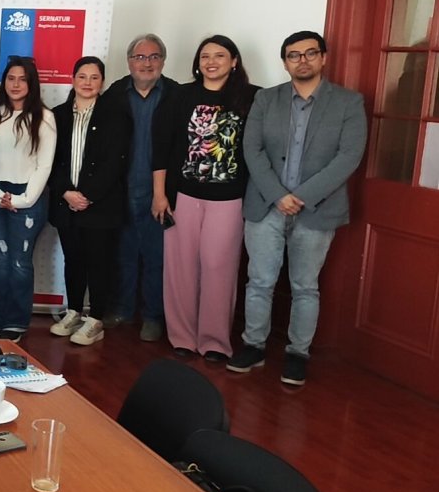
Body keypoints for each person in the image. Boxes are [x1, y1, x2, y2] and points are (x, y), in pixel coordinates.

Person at [228, 31, 366, 386]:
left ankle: (297, 353)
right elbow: (252, 149)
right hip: (266, 205)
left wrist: (301, 196)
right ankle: (253, 345)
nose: (302, 60)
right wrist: (278, 194)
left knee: (305, 286)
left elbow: (348, 156)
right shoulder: (265, 99)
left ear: (323, 57)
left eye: (310, 53)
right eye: (294, 55)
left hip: (318, 209)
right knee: (259, 282)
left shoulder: (349, 103)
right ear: (285, 62)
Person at [152, 35, 260, 362]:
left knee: (219, 267)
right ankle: (182, 337)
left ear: (234, 61)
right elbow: (162, 146)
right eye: (205, 56)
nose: (211, 62)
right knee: (180, 268)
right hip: (182, 196)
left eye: (219, 55)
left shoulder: (253, 97)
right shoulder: (179, 96)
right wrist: (159, 194)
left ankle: (214, 341)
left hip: (229, 199)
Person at [47, 57, 131, 346]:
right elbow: (50, 160)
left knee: (98, 262)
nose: (87, 82)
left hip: (101, 205)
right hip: (66, 202)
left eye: (94, 77)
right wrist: (66, 192)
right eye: (82, 76)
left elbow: (115, 162)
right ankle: (73, 312)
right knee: (74, 260)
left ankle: (95, 319)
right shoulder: (57, 115)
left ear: (102, 82)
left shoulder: (116, 115)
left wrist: (88, 196)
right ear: (73, 79)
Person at [102, 34, 178, 342]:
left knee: (156, 257)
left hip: (161, 192)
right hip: (121, 189)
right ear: (129, 61)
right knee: (123, 253)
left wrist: (165, 192)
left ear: (163, 60)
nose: (147, 63)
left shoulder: (176, 95)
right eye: (140, 57)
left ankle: (152, 316)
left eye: (154, 56)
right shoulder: (114, 94)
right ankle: (122, 309)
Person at [0, 56, 56, 342]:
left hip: (28, 197)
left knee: (20, 262)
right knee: (0, 261)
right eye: (11, 78)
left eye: (22, 79)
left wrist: (22, 200)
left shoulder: (44, 117)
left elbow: (44, 166)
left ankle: (16, 322)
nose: (16, 84)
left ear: (31, 83)